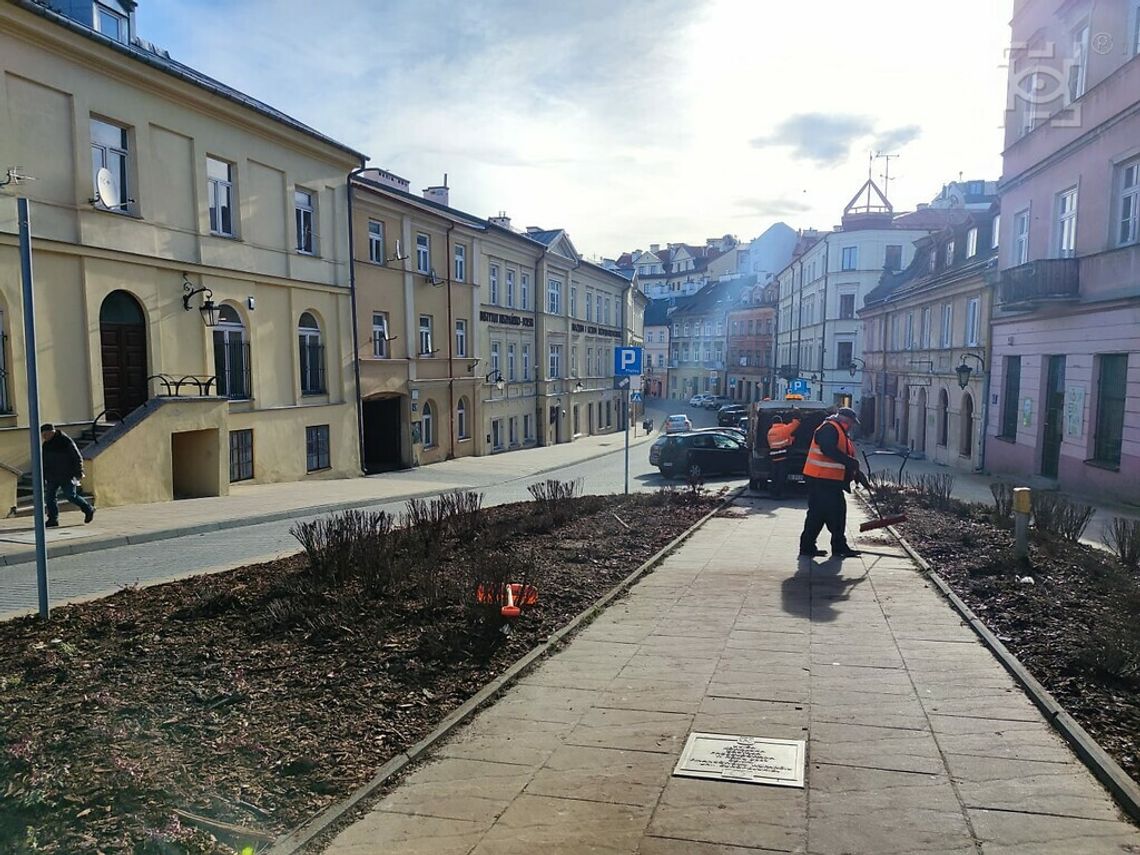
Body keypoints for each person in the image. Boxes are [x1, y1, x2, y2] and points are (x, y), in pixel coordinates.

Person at [798, 407, 868, 558]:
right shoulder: (830, 429)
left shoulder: (839, 431)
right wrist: (850, 462)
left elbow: (844, 457)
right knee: (830, 514)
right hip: (821, 479)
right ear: (845, 420)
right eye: (851, 423)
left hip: (828, 480)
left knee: (822, 514)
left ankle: (810, 546)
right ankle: (834, 546)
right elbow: (828, 449)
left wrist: (856, 473)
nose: (852, 426)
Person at [40, 423, 95, 527]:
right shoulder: (46, 445)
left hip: (67, 474)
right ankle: (53, 519)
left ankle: (88, 509)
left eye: (46, 435)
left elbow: (77, 456)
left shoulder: (65, 441)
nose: (44, 437)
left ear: (52, 432)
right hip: (52, 475)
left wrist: (79, 471)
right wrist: (43, 475)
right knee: (49, 497)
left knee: (70, 495)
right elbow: (44, 461)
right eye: (43, 435)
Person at [766, 412, 800, 499]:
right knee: (781, 477)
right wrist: (796, 413)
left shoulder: (770, 431)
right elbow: (796, 424)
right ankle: (779, 493)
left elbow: (777, 442)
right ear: (780, 421)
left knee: (774, 476)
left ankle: (773, 493)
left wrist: (789, 440)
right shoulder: (784, 429)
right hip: (782, 457)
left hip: (774, 457)